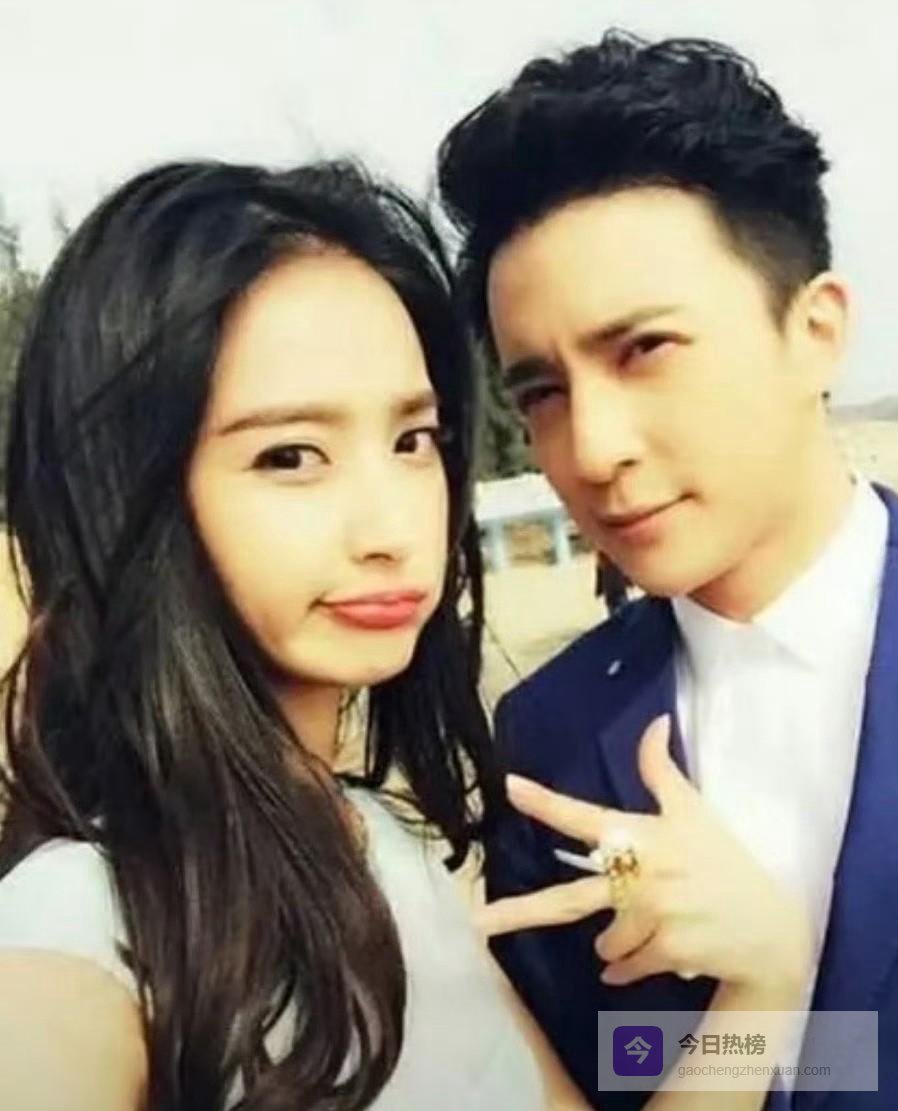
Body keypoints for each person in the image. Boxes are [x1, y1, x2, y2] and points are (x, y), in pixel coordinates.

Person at [0, 158, 813, 1111]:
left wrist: (764, 986)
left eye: (412, 440)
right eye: (291, 454)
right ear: (125, 492)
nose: (392, 528)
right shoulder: (78, 927)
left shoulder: (384, 847)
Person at [438, 28, 898, 1111]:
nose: (592, 450)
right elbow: (618, 1061)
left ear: (814, 331)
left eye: (643, 349)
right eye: (541, 392)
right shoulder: (552, 739)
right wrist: (760, 1000)